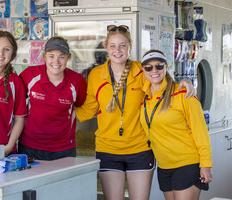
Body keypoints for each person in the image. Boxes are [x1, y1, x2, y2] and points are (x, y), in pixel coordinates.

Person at [75, 25, 195, 200]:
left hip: (140, 149)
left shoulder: (140, 70)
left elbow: (161, 86)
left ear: (129, 47)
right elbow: (89, 109)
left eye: (122, 45)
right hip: (108, 149)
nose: (118, 50)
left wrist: (184, 81)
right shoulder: (95, 75)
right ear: (106, 47)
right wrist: (62, 113)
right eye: (113, 46)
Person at [140, 49, 212, 200]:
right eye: (148, 67)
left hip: (187, 163)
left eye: (159, 66)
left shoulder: (183, 94)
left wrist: (206, 164)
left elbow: (201, 132)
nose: (154, 70)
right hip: (164, 166)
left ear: (166, 67)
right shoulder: (145, 99)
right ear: (143, 70)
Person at [18, 36, 87, 160]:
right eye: (51, 56)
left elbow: (81, 105)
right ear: (44, 57)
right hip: (29, 146)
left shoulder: (77, 81)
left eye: (62, 56)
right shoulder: (29, 75)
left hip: (64, 148)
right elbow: (17, 103)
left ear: (68, 58)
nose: (56, 61)